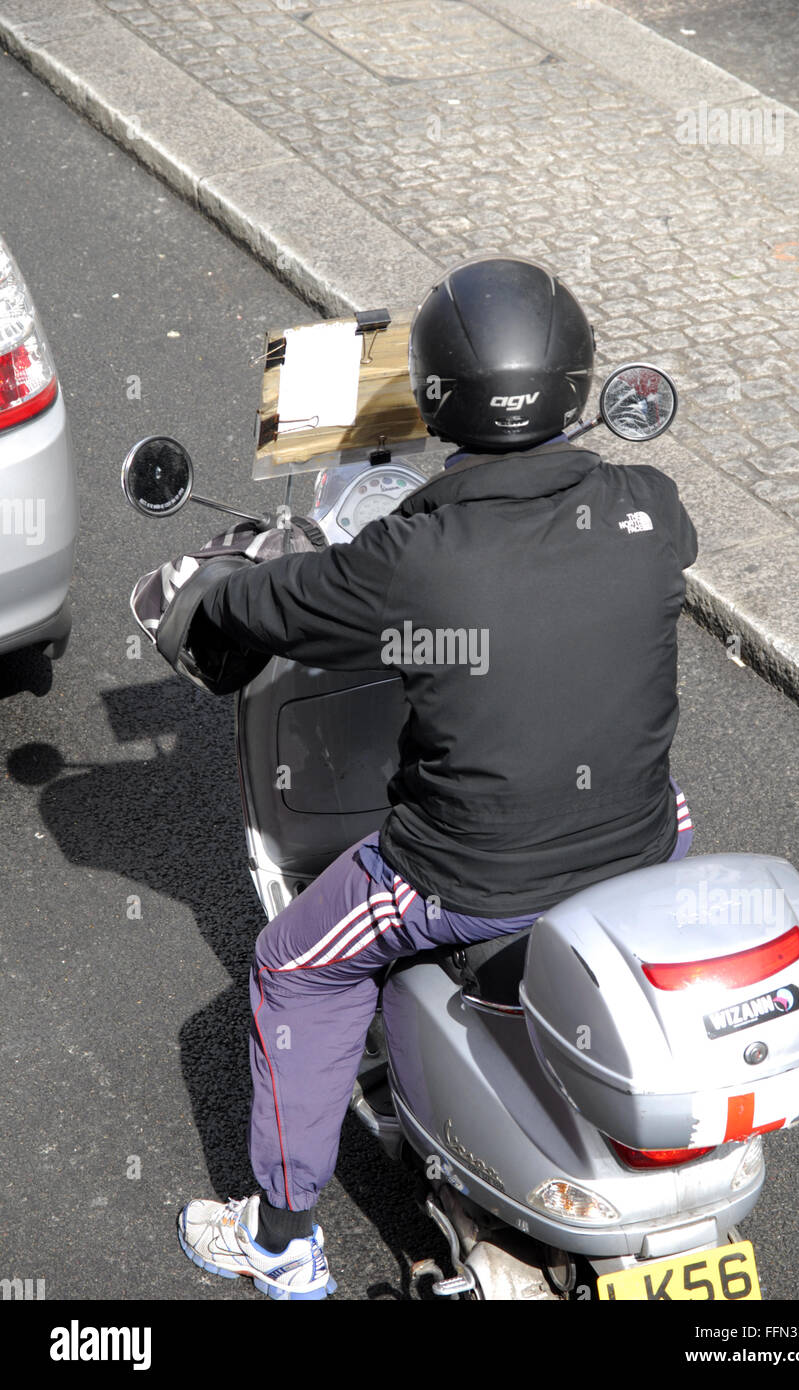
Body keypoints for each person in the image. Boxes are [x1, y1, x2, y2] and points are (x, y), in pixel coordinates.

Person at [174, 255, 698, 1300]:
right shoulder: (651, 506)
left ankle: (281, 1238)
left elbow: (284, 603)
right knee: (670, 799)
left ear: (436, 390)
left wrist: (210, 597)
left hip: (464, 872)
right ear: (577, 382)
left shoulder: (415, 550)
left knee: (292, 963)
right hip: (644, 839)